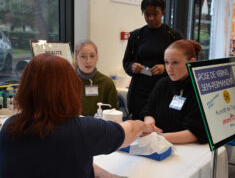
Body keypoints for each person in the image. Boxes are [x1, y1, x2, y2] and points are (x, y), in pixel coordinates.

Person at [0, 53, 147, 178]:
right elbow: (131, 130)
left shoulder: (9, 128)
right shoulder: (81, 130)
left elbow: (64, 161)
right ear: (70, 88)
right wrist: (144, 126)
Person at [123, 0, 183, 120]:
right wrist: (132, 67)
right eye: (147, 14)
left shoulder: (173, 36)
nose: (151, 18)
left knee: (162, 126)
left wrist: (165, 67)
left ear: (163, 12)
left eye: (155, 14)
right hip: (139, 92)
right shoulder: (136, 36)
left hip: (165, 91)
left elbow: (183, 66)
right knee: (139, 128)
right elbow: (126, 62)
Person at [141, 40, 208, 144]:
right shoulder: (162, 84)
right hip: (159, 145)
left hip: (188, 150)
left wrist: (159, 136)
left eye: (175, 63)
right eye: (166, 62)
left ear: (191, 62)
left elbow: (196, 132)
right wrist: (150, 123)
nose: (169, 69)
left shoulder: (200, 89)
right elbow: (149, 110)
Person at [74, 39, 118, 116]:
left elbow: (113, 116)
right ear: (76, 58)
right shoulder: (68, 82)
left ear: (97, 57)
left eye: (92, 56)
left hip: (101, 127)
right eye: (83, 56)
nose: (88, 61)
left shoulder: (107, 83)